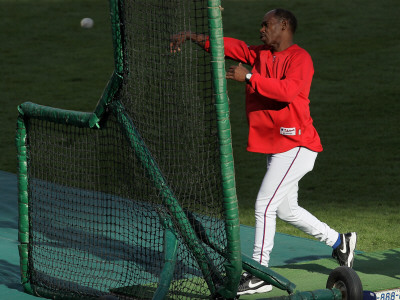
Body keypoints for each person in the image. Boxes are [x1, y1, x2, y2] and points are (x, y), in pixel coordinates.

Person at [170, 8, 357, 296]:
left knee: (264, 205)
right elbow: (233, 47)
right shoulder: (261, 55)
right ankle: (339, 242)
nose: (261, 29)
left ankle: (259, 273)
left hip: (298, 145)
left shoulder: (300, 58)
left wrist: (248, 78)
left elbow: (286, 92)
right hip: (278, 146)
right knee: (286, 209)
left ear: (283, 25)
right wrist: (194, 37)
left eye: (266, 24)